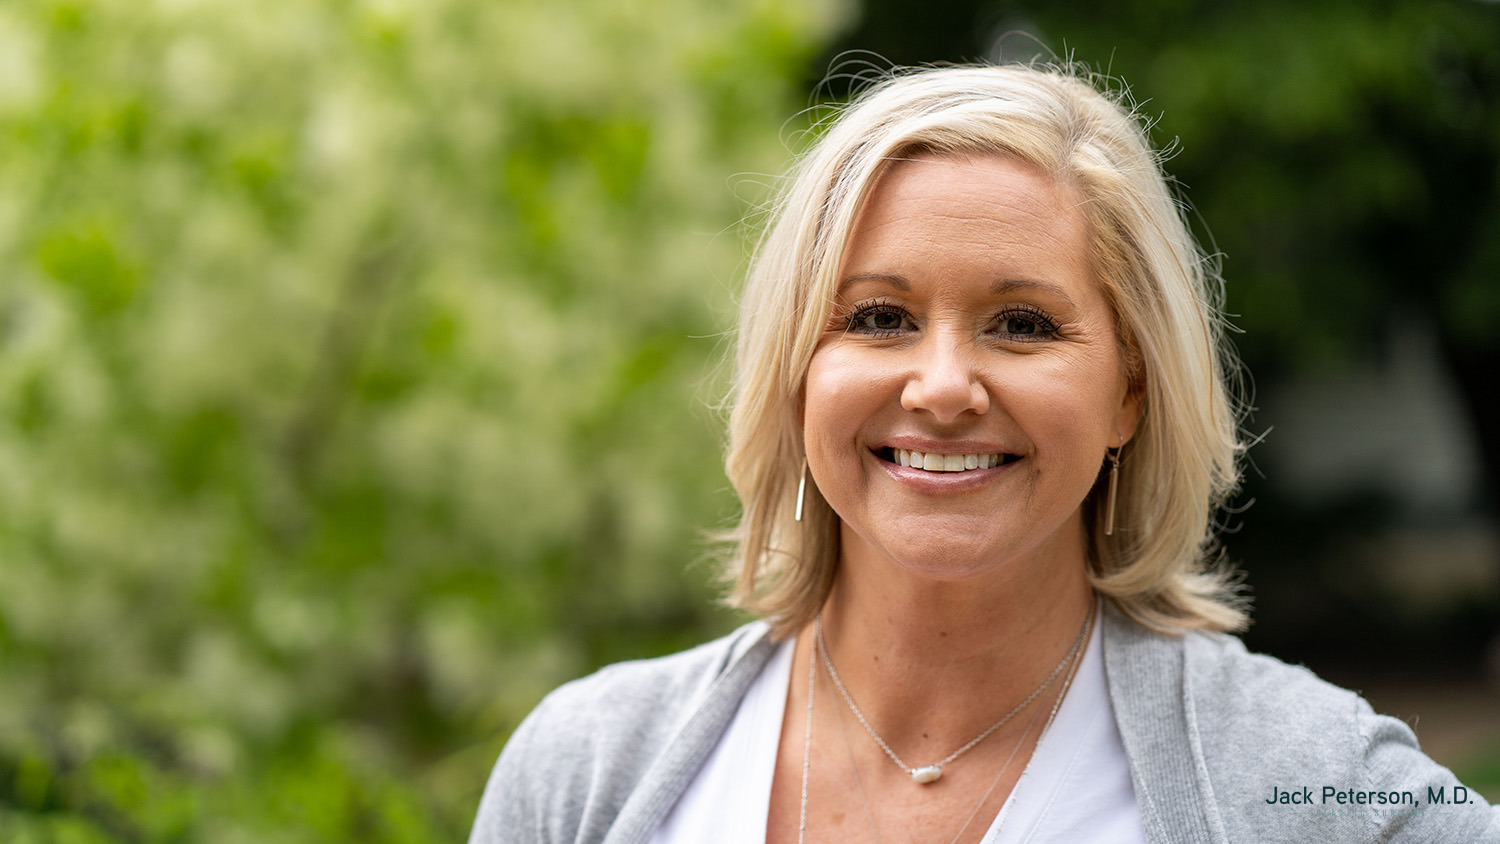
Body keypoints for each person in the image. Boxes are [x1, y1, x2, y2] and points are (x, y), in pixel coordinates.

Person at [469, 64, 1500, 843]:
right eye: (878, 316)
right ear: (795, 369)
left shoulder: (1302, 776)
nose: (945, 386)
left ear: (1130, 390)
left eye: (1023, 324)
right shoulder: (591, 768)